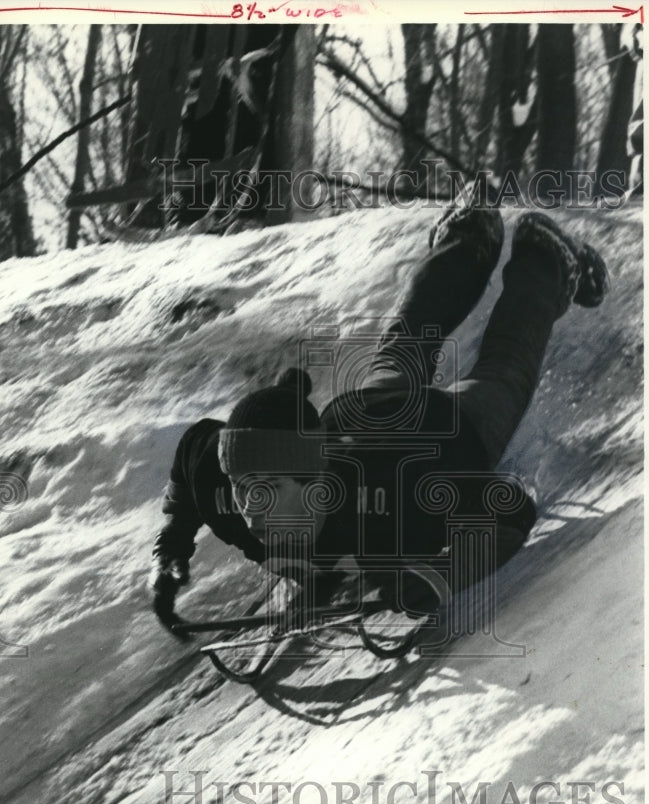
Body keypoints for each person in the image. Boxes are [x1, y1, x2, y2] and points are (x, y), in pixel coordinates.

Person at [149, 196, 609, 634]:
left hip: (447, 432)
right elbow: (196, 450)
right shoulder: (228, 495)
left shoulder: (399, 499)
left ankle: (545, 257)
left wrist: (446, 571)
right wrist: (169, 546)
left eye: (268, 489)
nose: (249, 508)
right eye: (243, 487)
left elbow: (511, 506)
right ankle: (469, 237)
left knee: (504, 367)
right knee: (403, 344)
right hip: (357, 417)